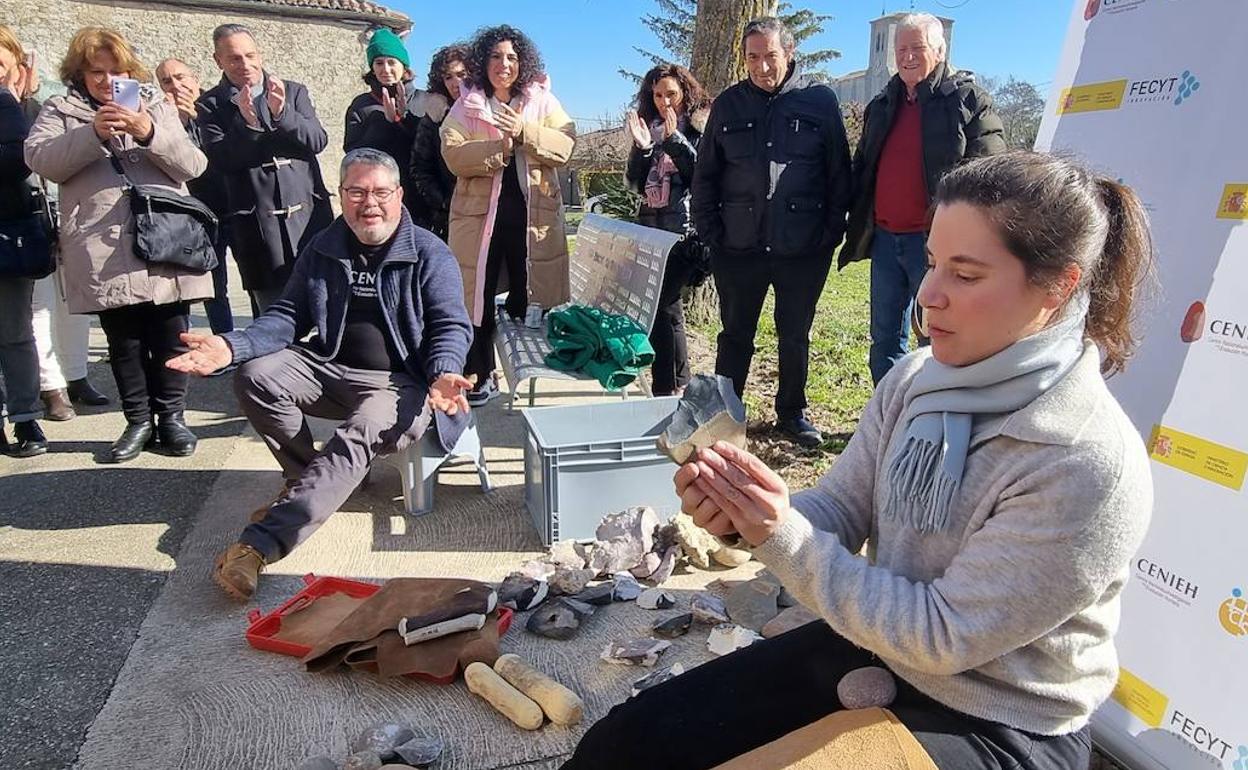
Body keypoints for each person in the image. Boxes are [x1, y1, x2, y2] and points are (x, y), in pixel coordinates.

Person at [564, 152, 1156, 770]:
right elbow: (843, 509)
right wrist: (744, 514)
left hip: (996, 719)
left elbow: (942, 634)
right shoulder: (916, 380)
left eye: (966, 274)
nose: (928, 296)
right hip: (882, 648)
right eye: (931, 264)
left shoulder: (1083, 460)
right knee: (621, 746)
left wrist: (782, 535)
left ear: (1058, 286)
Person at [166, 149, 474, 602]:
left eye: (380, 192)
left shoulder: (429, 253)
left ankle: (260, 544)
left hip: (400, 382)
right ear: (342, 195)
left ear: (399, 195)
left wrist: (446, 370)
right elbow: (287, 317)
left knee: (367, 426)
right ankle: (307, 479)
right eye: (356, 192)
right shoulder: (325, 246)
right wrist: (232, 345)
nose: (369, 203)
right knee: (257, 375)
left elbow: (451, 323)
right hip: (330, 368)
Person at [25, 27, 210, 463]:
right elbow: (40, 160)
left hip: (164, 236)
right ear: (80, 74)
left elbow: (194, 165)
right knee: (123, 339)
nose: (107, 81)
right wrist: (92, 134)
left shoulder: (156, 106)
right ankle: (138, 421)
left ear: (131, 71)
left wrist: (149, 131)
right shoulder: (60, 109)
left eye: (116, 71)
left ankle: (172, 419)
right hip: (102, 244)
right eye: (96, 72)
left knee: (171, 333)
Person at [691, 17, 852, 448]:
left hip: (802, 247)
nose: (762, 66)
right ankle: (725, 412)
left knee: (795, 332)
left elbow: (840, 174)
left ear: (790, 54)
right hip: (738, 247)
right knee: (734, 333)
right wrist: (711, 232)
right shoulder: (729, 105)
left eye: (771, 56)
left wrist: (830, 232)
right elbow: (705, 175)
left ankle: (792, 412)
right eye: (753, 57)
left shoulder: (819, 102)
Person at [844, 12, 1006, 385]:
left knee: (937, 336)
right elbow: (863, 166)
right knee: (884, 338)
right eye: (901, 49)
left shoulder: (968, 100)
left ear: (939, 49)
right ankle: (888, 420)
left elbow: (988, 172)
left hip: (937, 248)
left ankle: (933, 419)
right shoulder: (883, 104)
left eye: (917, 48)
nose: (907, 57)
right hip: (885, 240)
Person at [441, 25, 575, 405]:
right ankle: (480, 375)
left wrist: (524, 132)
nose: (504, 64)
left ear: (523, 63)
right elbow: (452, 155)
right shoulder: (467, 104)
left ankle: (527, 372)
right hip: (479, 221)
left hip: (534, 219)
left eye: (513, 57)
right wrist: (499, 147)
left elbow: (565, 145)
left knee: (525, 296)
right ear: (484, 61)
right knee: (476, 299)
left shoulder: (542, 101)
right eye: (497, 56)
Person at [197, 23, 333, 316]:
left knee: (325, 313)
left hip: (309, 219)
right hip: (258, 229)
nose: (245, 64)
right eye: (234, 58)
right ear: (217, 60)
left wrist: (283, 115)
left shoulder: (293, 91)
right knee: (274, 321)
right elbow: (222, 160)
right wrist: (247, 125)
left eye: (250, 55)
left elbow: (318, 140)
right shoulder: (210, 105)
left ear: (260, 54)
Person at [18, 46, 110, 422]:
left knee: (76, 304)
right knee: (39, 307)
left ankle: (76, 376)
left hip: (66, 209)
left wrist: (32, 86)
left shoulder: (54, 95)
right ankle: (51, 386)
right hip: (25, 214)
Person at [623, 64, 710, 397]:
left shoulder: (699, 129)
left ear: (685, 93)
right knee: (667, 309)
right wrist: (643, 148)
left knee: (661, 306)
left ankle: (665, 387)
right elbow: (635, 184)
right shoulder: (651, 129)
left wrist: (675, 141)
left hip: (685, 235)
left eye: (671, 94)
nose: (664, 102)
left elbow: (701, 178)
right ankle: (680, 382)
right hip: (652, 230)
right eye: (657, 95)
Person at [156, 57, 235, 338]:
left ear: (195, 79)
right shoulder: (163, 121)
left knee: (252, 281)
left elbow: (223, 154)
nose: (176, 85)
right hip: (199, 213)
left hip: (234, 206)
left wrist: (198, 120)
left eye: (180, 77)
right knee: (214, 284)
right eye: (167, 81)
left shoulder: (216, 108)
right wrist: (177, 124)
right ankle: (223, 339)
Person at [0, 24, 48, 456]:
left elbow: (18, 162)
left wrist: (10, 102)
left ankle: (25, 417)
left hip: (8, 234)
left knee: (14, 332)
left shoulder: (26, 108)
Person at [343, 28, 420, 203]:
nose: (386, 69)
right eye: (379, 63)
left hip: (418, 197)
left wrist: (404, 120)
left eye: (392, 62)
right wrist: (384, 124)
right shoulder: (361, 105)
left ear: (403, 66)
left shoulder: (423, 100)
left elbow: (431, 150)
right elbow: (353, 153)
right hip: (377, 195)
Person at [408, 43, 468, 239]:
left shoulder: (491, 110)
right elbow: (420, 168)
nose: (455, 83)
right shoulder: (435, 116)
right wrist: (444, 202)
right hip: (449, 218)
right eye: (448, 77)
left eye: (461, 74)